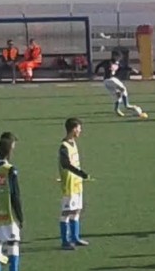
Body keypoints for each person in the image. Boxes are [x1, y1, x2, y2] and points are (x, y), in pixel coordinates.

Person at [0, 133, 31, 271]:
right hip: (8, 212)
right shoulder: (10, 170)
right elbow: (15, 194)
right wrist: (20, 216)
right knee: (13, 243)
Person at [59, 118, 90, 249]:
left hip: (77, 184)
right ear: (73, 129)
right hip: (69, 184)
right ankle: (65, 241)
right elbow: (66, 164)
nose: (80, 131)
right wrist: (81, 173)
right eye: (79, 128)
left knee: (77, 210)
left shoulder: (73, 143)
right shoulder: (63, 146)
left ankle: (75, 237)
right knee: (66, 212)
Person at [94, 50, 143, 117]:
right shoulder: (107, 62)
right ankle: (127, 105)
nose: (120, 58)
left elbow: (123, 68)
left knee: (118, 95)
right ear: (114, 56)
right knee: (123, 88)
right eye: (118, 56)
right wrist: (96, 73)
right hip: (110, 80)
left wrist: (132, 69)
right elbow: (98, 65)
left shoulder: (117, 64)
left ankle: (118, 109)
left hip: (107, 82)